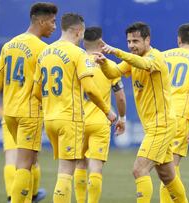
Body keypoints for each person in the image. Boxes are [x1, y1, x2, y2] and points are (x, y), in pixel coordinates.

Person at [93, 22, 188, 203]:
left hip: (162, 124)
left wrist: (117, 52)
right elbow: (114, 72)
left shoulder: (156, 57)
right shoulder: (133, 59)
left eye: (135, 41)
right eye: (128, 41)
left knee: (139, 169)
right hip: (155, 125)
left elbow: (144, 64)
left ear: (147, 40)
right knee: (167, 175)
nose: (131, 45)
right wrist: (104, 63)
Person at [0, 2, 58, 203]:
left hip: (10, 113)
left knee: (26, 160)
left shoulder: (9, 45)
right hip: (29, 113)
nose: (54, 27)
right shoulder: (43, 49)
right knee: (24, 164)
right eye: (52, 22)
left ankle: (28, 196)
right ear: (41, 21)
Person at [33, 13, 116, 203]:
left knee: (67, 168)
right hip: (69, 118)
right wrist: (108, 112)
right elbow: (90, 90)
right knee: (65, 173)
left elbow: (36, 91)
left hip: (50, 119)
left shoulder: (45, 52)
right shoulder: (78, 53)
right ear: (79, 31)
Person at [73, 27, 127, 203]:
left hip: (78, 121)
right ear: (100, 42)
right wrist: (121, 118)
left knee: (79, 164)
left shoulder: (76, 62)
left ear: (83, 41)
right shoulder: (108, 65)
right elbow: (120, 96)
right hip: (100, 122)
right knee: (95, 166)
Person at [159, 23, 189, 203]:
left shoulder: (163, 56)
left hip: (160, 114)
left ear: (178, 39)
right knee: (170, 167)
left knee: (165, 166)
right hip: (179, 116)